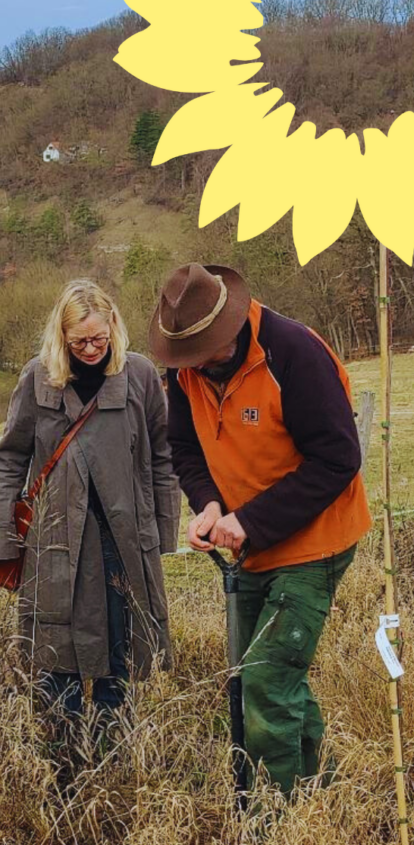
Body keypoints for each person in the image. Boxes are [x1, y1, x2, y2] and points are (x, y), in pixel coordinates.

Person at [150, 263, 372, 795]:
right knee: (269, 676)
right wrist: (207, 505)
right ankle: (321, 790)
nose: (198, 366)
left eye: (207, 352)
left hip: (317, 540)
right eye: (189, 357)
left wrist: (247, 520)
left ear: (231, 324)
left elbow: (338, 460)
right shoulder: (185, 372)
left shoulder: (293, 352)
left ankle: (271, 822)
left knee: (267, 680)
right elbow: (184, 448)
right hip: (249, 545)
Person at [0, 279, 180, 717]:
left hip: (122, 546)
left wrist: (161, 533)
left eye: (99, 338)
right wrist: (2, 539)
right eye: (79, 341)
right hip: (55, 548)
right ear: (62, 336)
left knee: (120, 660)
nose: (91, 349)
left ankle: (113, 761)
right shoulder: (37, 376)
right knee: (56, 668)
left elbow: (164, 455)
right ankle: (65, 766)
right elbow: (8, 460)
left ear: (114, 325)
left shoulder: (141, 375)